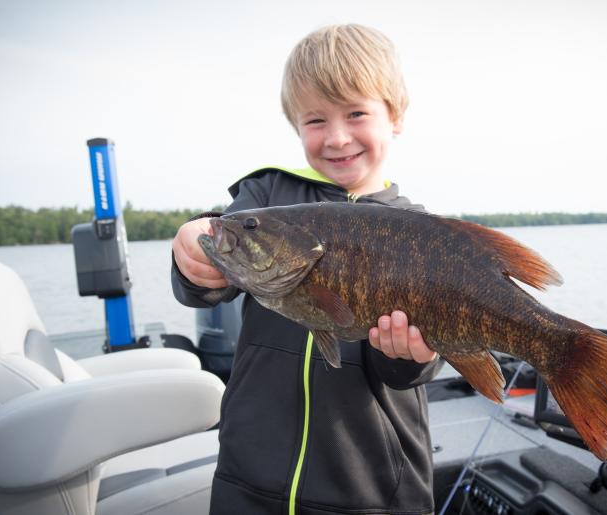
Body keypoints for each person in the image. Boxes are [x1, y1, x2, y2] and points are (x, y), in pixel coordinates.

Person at [171, 24, 443, 515]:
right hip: (247, 477)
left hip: (372, 492)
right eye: (315, 120)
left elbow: (406, 373)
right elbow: (212, 261)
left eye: (356, 113)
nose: (337, 138)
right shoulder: (268, 196)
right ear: (295, 125)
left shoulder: (418, 230)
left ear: (395, 116)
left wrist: (412, 355)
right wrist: (191, 248)